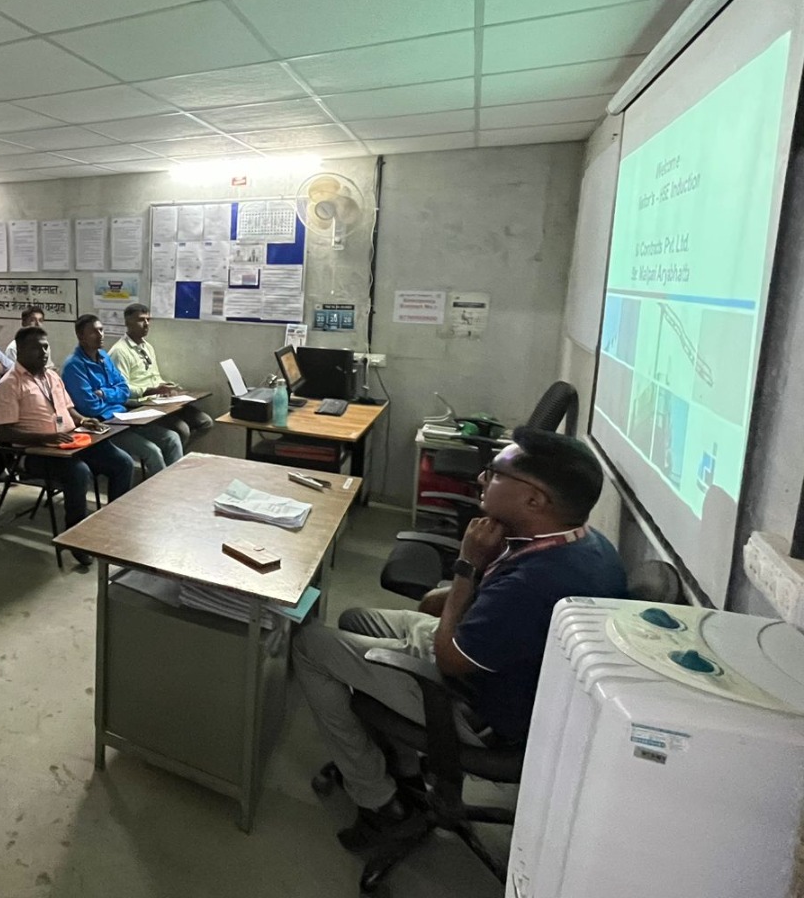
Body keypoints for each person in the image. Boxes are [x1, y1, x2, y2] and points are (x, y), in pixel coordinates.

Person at [291, 429, 627, 852]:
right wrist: (471, 578)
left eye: (496, 473)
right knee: (355, 618)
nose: (482, 479)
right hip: (494, 667)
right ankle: (404, 767)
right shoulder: (577, 542)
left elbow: (450, 659)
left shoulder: (534, 584)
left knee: (310, 645)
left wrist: (468, 564)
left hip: (476, 706)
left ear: (534, 500)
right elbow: (439, 606)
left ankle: (380, 802)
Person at [0, 325, 133, 567]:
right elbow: (4, 433)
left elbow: (67, 408)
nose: (44, 352)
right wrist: (43, 438)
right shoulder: (8, 385)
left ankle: (114, 522)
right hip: (33, 453)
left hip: (70, 443)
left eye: (46, 347)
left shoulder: (52, 376)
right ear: (21, 351)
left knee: (122, 463)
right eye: (37, 348)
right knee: (79, 473)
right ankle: (75, 537)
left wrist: (83, 420)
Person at [61, 314, 183, 479]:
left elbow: (124, 390)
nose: (100, 335)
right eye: (94, 332)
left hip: (123, 416)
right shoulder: (74, 366)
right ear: (81, 336)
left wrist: (104, 393)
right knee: (152, 451)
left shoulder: (103, 356)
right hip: (104, 424)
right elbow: (90, 407)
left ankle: (175, 484)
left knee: (172, 438)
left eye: (101, 330)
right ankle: (161, 491)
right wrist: (114, 396)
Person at [108, 301, 214, 447]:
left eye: (148, 320)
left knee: (205, 422)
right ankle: (175, 456)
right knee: (182, 429)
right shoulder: (119, 352)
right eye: (141, 320)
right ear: (127, 323)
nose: (146, 324)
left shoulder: (147, 347)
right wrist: (152, 390)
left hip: (159, 400)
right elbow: (121, 390)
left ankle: (178, 454)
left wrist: (167, 387)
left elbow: (154, 377)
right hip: (140, 405)